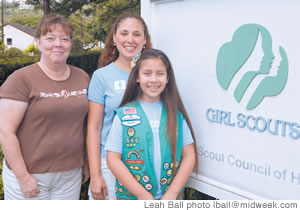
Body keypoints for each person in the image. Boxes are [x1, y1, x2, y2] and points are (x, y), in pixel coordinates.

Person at [0, 14, 90, 200]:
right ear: (38, 43)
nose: (58, 44)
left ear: (70, 44)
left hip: (70, 176)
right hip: (30, 175)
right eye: (50, 38)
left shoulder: (82, 77)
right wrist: (23, 177)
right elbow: (5, 132)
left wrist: (86, 162)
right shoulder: (21, 79)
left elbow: (87, 125)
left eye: (64, 39)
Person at [105, 48, 198, 200]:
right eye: (147, 73)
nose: (153, 79)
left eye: (160, 74)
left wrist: (172, 194)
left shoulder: (176, 115)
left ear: (168, 78)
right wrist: (143, 195)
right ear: (137, 77)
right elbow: (113, 159)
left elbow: (189, 155)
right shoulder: (123, 115)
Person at [86, 12, 152, 200]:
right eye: (124, 33)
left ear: (144, 39)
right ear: (114, 38)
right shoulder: (101, 76)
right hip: (109, 164)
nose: (130, 40)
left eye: (137, 34)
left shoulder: (154, 75)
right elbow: (94, 127)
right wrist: (96, 175)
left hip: (146, 161)